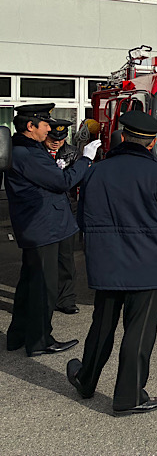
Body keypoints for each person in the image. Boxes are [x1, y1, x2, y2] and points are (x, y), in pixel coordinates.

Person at [67, 110, 157, 415]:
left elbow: (83, 217)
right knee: (138, 333)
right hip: (146, 265)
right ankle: (129, 397)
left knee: (101, 328)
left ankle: (86, 380)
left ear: (123, 137)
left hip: (106, 264)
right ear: (152, 142)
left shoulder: (95, 172)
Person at [5, 104, 100, 357]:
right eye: (45, 124)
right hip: (43, 227)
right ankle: (39, 341)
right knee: (44, 288)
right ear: (30, 127)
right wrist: (86, 159)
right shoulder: (28, 153)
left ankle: (18, 335)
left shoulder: (27, 150)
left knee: (29, 284)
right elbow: (63, 182)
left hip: (39, 226)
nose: (49, 129)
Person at [43, 119, 81, 315]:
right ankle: (45, 298)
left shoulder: (72, 153)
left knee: (66, 257)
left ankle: (66, 299)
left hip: (68, 208)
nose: (56, 142)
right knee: (45, 258)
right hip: (45, 210)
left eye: (61, 138)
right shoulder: (38, 153)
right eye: (52, 138)